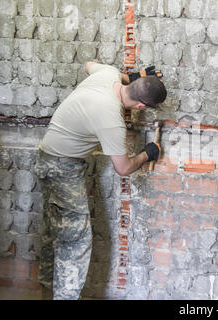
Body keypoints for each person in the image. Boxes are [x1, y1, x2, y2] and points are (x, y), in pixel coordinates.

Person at [34, 62, 167, 300]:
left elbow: (88, 66)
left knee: (57, 231)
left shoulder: (108, 74)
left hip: (46, 158)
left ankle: (46, 292)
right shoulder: (111, 119)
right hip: (62, 168)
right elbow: (123, 168)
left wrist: (131, 75)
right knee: (75, 243)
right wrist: (149, 152)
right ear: (139, 106)